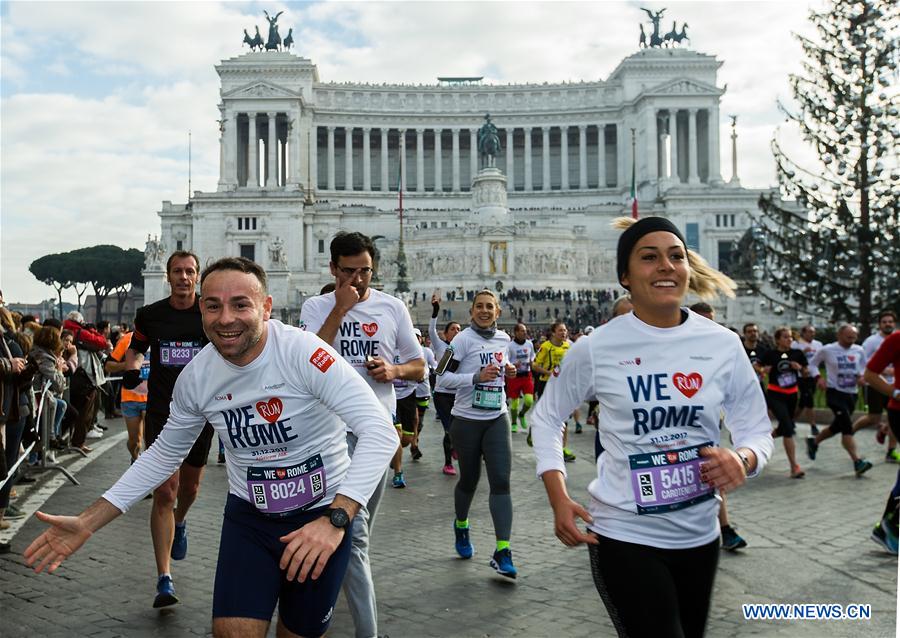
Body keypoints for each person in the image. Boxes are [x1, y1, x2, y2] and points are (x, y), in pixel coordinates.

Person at [25, 257, 397, 638]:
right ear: (201, 308)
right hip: (250, 520)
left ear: (266, 308)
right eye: (213, 306)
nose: (225, 318)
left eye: (241, 304)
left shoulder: (303, 353)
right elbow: (163, 455)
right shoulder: (197, 377)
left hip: (319, 517)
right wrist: (87, 522)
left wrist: (337, 518)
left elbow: (381, 432)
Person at [531, 216, 773, 637]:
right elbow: (547, 417)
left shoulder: (723, 344)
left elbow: (755, 429)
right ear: (625, 275)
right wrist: (558, 496)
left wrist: (743, 458)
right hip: (623, 533)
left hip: (701, 534)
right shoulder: (595, 347)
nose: (665, 266)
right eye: (649, 257)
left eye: (675, 256)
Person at [300, 231, 423, 638]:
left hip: (376, 435)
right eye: (349, 271)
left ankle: (326, 602)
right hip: (330, 434)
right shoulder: (316, 307)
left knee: (356, 536)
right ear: (332, 268)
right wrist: (340, 309)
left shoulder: (393, 308)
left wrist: (393, 371)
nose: (358, 280)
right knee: (354, 537)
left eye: (365, 271)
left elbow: (419, 366)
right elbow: (308, 361)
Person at [121, 251, 216, 607]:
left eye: (190, 271)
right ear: (168, 275)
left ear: (197, 277)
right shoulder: (151, 315)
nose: (183, 277)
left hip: (200, 413)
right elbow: (136, 350)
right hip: (162, 413)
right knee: (165, 491)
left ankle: (181, 520)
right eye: (177, 271)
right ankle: (164, 578)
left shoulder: (208, 313)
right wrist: (133, 369)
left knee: (189, 489)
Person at [438, 289, 518, 578]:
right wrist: (474, 377)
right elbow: (441, 376)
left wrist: (507, 371)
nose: (484, 311)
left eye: (490, 307)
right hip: (467, 420)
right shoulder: (461, 341)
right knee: (469, 480)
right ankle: (461, 525)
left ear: (498, 312)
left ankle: (503, 550)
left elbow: (501, 367)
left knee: (501, 481)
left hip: (497, 416)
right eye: (479, 307)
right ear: (471, 311)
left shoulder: (505, 339)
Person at [689, 302, 749, 551]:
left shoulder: (722, 348)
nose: (708, 325)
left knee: (710, 473)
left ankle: (724, 529)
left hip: (704, 427)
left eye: (711, 319)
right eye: (703, 319)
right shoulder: (675, 348)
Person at [805, 324, 872, 476]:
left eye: (854, 337)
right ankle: (857, 462)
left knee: (837, 426)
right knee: (847, 426)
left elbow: (864, 368)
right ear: (839, 336)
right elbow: (812, 365)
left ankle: (814, 442)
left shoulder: (859, 350)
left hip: (852, 393)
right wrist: (818, 378)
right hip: (834, 392)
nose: (851, 340)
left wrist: (862, 378)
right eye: (848, 337)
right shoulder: (827, 349)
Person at [864, 329, 900, 554]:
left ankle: (888, 525)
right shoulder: (896, 339)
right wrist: (895, 393)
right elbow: (870, 374)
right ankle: (889, 524)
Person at [759, 327, 808, 478]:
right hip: (775, 394)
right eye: (785, 337)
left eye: (790, 337)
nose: (789, 340)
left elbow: (806, 372)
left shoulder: (797, 354)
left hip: (792, 394)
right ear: (778, 339)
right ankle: (794, 467)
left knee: (784, 426)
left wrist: (799, 368)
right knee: (787, 428)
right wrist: (763, 370)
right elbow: (758, 367)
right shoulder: (770, 354)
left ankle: (761, 440)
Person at [852, 311, 898, 461]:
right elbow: (863, 362)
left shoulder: (896, 338)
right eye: (884, 322)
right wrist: (882, 370)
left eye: (890, 322)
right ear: (879, 324)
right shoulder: (872, 341)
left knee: (893, 419)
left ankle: (891, 451)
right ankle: (850, 432)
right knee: (873, 417)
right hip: (876, 384)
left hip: (895, 385)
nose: (888, 324)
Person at [530, 321, 577, 461]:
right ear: (553, 332)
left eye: (565, 330)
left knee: (564, 417)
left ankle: (562, 449)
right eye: (561, 330)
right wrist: (549, 372)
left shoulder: (569, 346)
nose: (564, 333)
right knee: (547, 417)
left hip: (563, 386)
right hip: (546, 385)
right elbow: (535, 365)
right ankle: (543, 444)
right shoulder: (546, 347)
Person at [430, 294, 462, 476]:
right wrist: (435, 311)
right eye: (454, 329)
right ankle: (447, 463)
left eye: (459, 329)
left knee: (457, 429)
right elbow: (432, 330)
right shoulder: (440, 346)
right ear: (446, 333)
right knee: (449, 429)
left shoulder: (464, 349)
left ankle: (455, 446)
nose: (457, 331)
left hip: (458, 395)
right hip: (442, 394)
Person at [106, 331, 149, 462]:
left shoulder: (161, 335)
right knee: (134, 442)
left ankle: (147, 468)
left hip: (153, 398)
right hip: (130, 398)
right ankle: (135, 458)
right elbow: (108, 366)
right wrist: (129, 364)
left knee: (151, 440)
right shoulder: (127, 339)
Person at [792, 325, 823, 436]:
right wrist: (803, 353)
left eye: (813, 332)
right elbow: (792, 358)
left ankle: (791, 421)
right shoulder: (796, 344)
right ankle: (813, 425)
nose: (812, 334)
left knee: (803, 402)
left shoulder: (818, 344)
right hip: (801, 376)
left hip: (813, 375)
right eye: (810, 332)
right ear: (803, 333)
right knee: (809, 399)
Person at [506, 322, 535, 434]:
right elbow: (506, 360)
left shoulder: (529, 344)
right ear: (516, 332)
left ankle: (521, 414)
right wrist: (513, 364)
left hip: (526, 375)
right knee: (515, 403)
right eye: (522, 331)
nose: (525, 332)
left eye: (525, 330)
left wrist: (531, 361)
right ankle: (513, 423)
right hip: (514, 376)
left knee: (529, 400)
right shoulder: (510, 346)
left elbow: (532, 355)